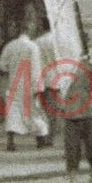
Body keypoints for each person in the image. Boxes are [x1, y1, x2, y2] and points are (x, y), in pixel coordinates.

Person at [46, 33, 92, 183]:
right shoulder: (89, 65)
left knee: (75, 145)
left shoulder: (67, 65)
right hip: (85, 110)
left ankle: (76, 174)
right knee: (88, 145)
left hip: (75, 111)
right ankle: (91, 174)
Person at [0, 19, 43, 151]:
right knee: (34, 111)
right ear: (28, 30)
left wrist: (10, 69)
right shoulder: (32, 47)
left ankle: (11, 141)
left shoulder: (10, 45)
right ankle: (40, 138)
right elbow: (36, 68)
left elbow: (2, 65)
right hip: (29, 83)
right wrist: (38, 87)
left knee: (13, 111)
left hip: (14, 83)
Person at [33, 19, 57, 148]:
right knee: (52, 111)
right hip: (54, 80)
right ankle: (50, 138)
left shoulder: (37, 42)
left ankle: (41, 136)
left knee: (40, 110)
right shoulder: (57, 41)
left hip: (40, 79)